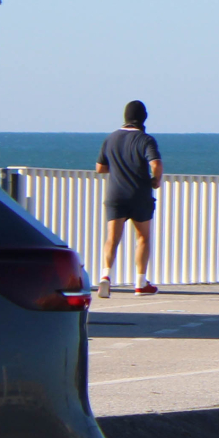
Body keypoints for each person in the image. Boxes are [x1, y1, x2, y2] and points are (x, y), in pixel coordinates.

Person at [94, 100, 163, 297]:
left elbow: (100, 168)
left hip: (115, 195)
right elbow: (156, 164)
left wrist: (117, 168)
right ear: (144, 117)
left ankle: (105, 276)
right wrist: (155, 180)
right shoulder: (145, 140)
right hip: (139, 195)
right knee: (142, 237)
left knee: (112, 238)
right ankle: (141, 283)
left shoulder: (110, 139)